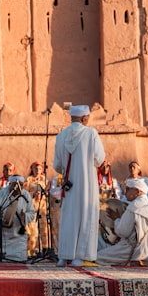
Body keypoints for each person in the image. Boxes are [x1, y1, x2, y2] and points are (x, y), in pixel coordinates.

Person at [53, 104, 106, 267]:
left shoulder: (61, 136)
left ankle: (64, 256)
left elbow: (57, 165)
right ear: (84, 118)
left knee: (69, 218)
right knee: (86, 216)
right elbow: (99, 158)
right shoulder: (91, 134)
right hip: (87, 184)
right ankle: (80, 257)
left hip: (69, 185)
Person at [98, 178, 148, 266]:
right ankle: (146, 260)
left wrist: (117, 220)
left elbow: (122, 232)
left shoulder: (134, 207)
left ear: (137, 191)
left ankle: (134, 261)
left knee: (98, 257)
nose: (125, 193)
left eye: (128, 189)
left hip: (136, 251)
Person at [0, 174, 36, 262]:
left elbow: (31, 213)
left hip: (17, 238)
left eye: (20, 185)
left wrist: (24, 217)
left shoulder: (26, 196)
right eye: (15, 185)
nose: (17, 188)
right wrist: (2, 222)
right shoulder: (0, 196)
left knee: (20, 259)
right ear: (10, 184)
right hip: (0, 236)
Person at [24, 161, 48, 256]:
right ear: (32, 169)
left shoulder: (45, 180)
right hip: (32, 206)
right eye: (35, 169)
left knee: (44, 228)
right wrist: (33, 194)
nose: (37, 170)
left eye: (39, 169)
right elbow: (24, 193)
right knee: (33, 230)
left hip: (42, 207)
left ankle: (45, 249)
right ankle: (31, 250)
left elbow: (49, 192)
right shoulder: (29, 180)